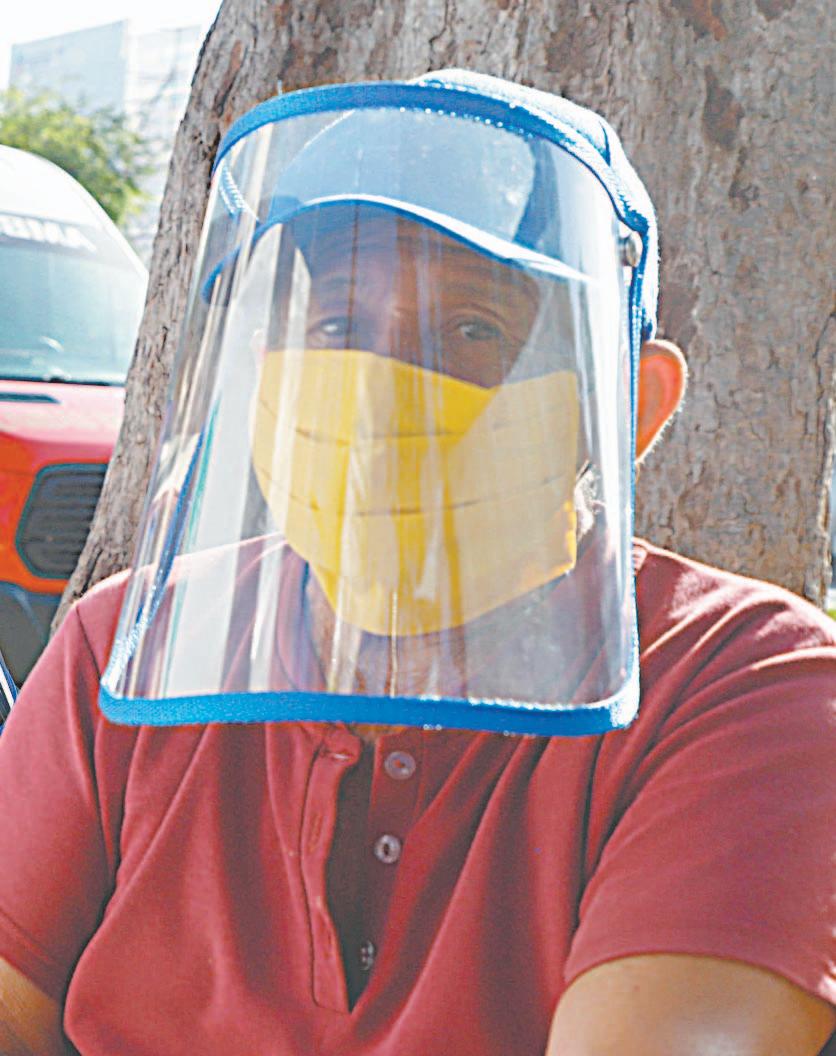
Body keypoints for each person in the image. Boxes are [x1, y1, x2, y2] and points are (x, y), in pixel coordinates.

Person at [0, 70, 834, 1056]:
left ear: (625, 408)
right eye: (334, 328)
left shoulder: (748, 685)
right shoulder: (128, 644)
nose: (373, 389)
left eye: (471, 329)